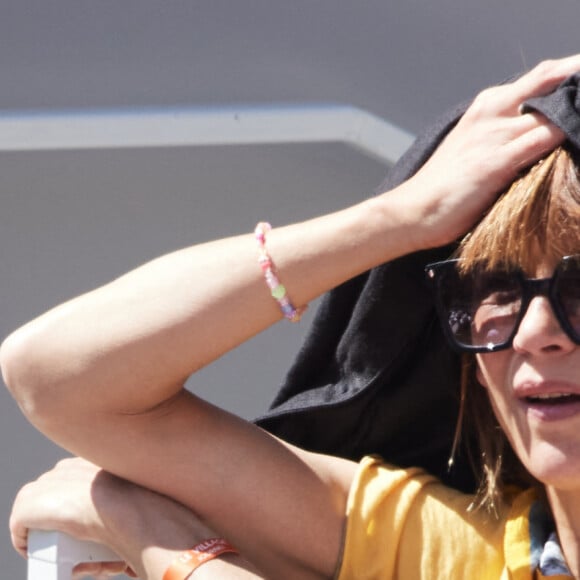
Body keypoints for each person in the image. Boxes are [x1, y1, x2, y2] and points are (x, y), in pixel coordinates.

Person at [6, 54, 580, 579]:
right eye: (495, 290)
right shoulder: (464, 552)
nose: (533, 333)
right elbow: (54, 376)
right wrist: (405, 216)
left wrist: (155, 534)